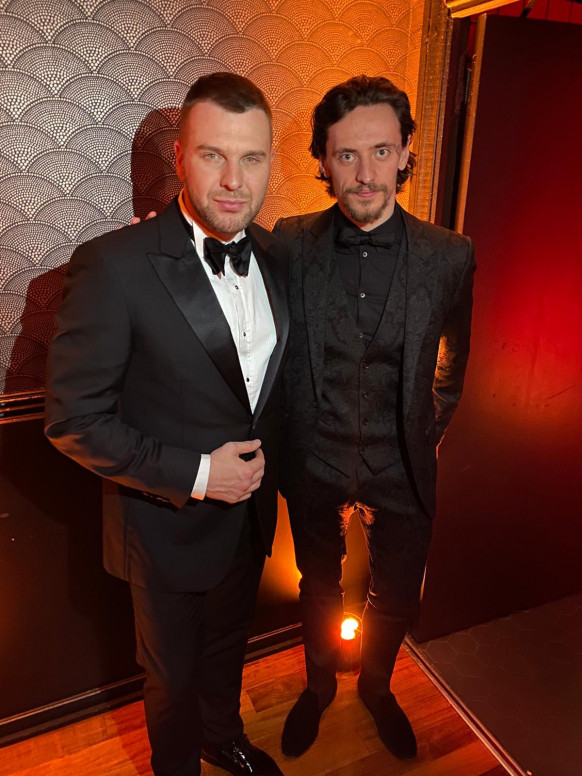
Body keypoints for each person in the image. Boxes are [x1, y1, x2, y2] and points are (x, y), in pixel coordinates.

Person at [45, 72, 288, 776]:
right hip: (164, 527)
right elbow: (73, 419)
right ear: (180, 157)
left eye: (252, 157)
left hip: (250, 521)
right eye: (214, 155)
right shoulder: (113, 265)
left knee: (228, 648)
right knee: (172, 680)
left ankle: (223, 736)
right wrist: (202, 474)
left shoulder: (277, 256)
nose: (235, 180)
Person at [274, 75, 475, 762]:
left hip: (404, 462)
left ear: (406, 152)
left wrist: (424, 432)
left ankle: (378, 687)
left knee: (396, 593)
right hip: (314, 455)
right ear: (323, 161)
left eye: (382, 151)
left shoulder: (451, 254)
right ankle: (318, 686)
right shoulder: (289, 242)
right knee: (316, 584)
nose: (366, 173)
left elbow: (454, 359)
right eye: (347, 155)